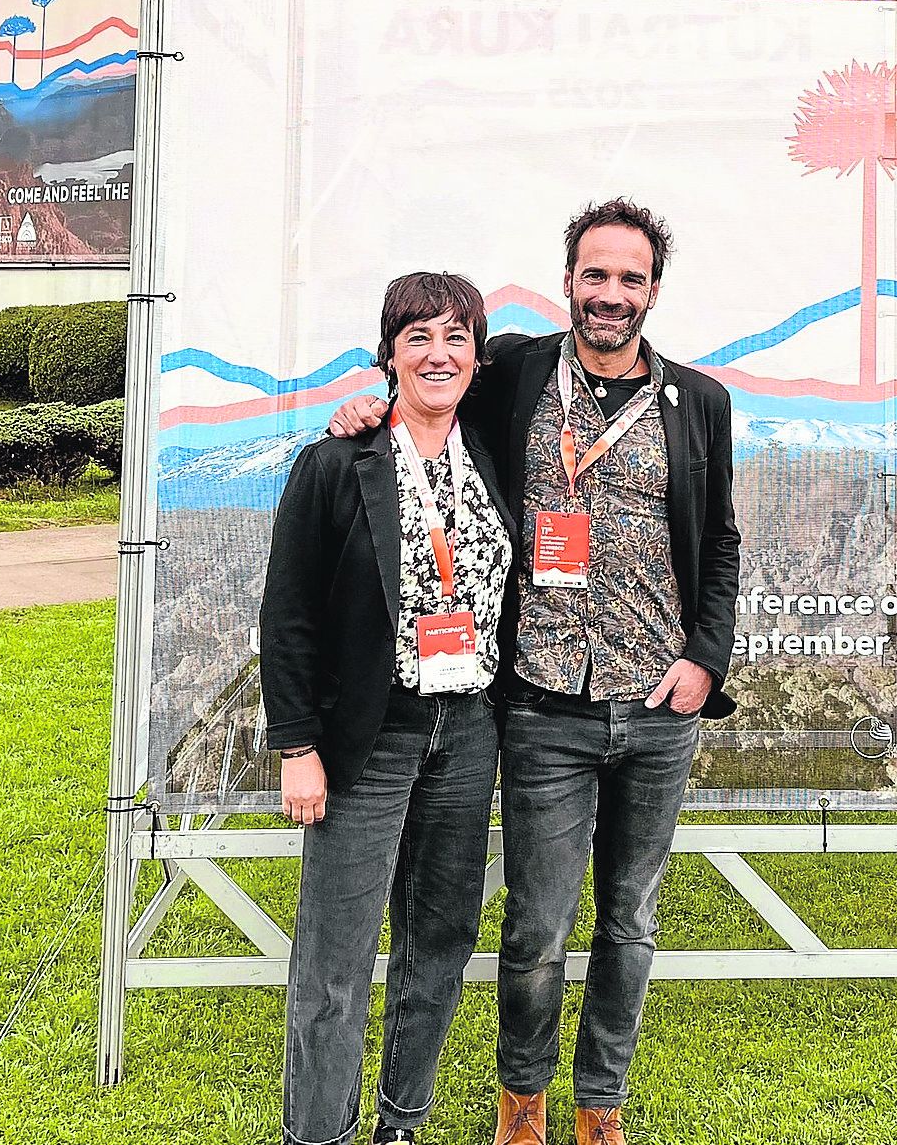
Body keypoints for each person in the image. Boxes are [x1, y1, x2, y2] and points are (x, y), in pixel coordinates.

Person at [330, 199, 741, 1145]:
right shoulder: (513, 368)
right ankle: (525, 1101)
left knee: (629, 922)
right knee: (537, 927)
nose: (610, 294)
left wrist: (702, 660)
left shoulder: (700, 402)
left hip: (656, 703)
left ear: (652, 291)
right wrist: (368, 393)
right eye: (594, 275)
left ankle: (602, 1103)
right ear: (567, 282)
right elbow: (427, 381)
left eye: (629, 278)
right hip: (544, 702)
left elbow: (718, 544)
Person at [261, 271, 515, 1145]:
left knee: (438, 943)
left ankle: (400, 1121)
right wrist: (297, 744)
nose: (438, 353)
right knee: (334, 959)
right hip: (370, 733)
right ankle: (317, 1132)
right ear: (388, 355)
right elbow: (288, 612)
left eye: (456, 336)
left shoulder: (494, 451)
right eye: (418, 337)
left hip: (468, 728)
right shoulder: (338, 461)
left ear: (477, 356)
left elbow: (547, 354)